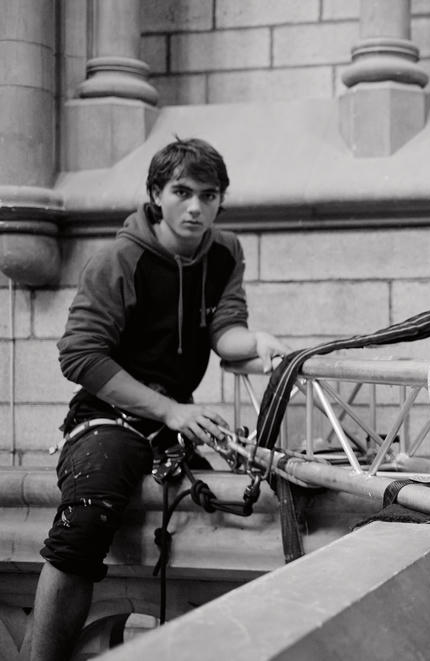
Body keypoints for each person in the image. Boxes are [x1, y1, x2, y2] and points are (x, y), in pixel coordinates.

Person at [30, 138, 289, 661]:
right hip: (106, 417)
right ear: (155, 194)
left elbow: (225, 331)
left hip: (174, 423)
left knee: (227, 517)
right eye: (182, 192)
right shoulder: (118, 259)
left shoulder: (224, 252)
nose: (196, 208)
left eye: (209, 196)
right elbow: (79, 355)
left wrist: (257, 342)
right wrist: (170, 410)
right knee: (84, 523)